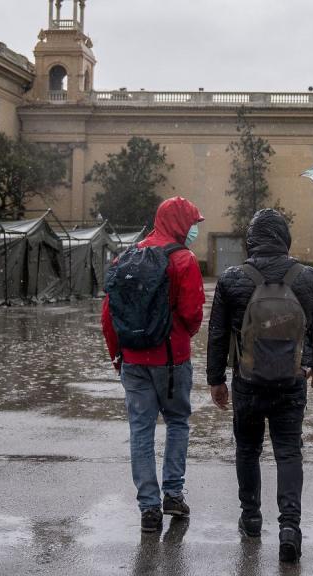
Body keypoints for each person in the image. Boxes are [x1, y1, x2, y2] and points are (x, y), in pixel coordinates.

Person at [207, 209, 313, 563]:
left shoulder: (233, 278)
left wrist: (215, 379)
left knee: (247, 450)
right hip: (292, 382)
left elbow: (217, 334)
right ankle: (290, 527)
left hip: (246, 383)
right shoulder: (307, 277)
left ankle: (250, 518)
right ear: (285, 239)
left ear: (251, 241)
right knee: (289, 452)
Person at [101, 197, 206, 534]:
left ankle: (148, 507)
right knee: (177, 422)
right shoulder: (184, 260)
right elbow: (192, 315)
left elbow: (108, 315)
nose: (194, 230)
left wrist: (118, 354)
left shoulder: (126, 257)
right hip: (172, 360)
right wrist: (179, 336)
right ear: (179, 222)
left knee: (141, 430)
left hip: (132, 359)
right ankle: (172, 493)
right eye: (192, 223)